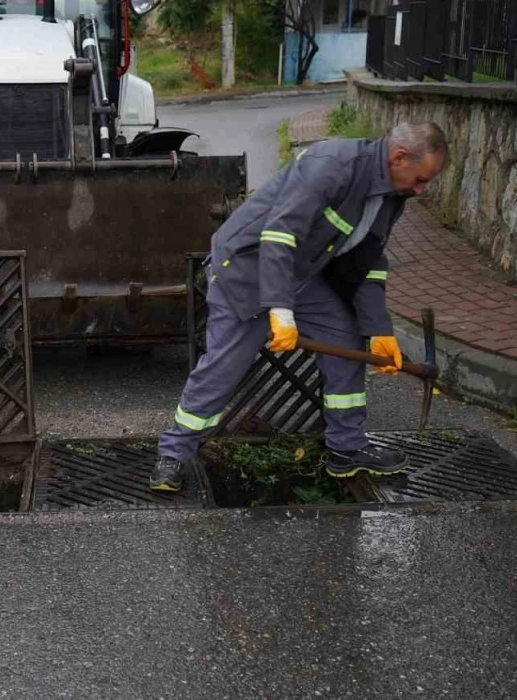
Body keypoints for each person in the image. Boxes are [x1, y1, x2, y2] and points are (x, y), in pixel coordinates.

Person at [149, 122, 449, 492]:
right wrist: (280, 311)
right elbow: (278, 236)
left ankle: (346, 447)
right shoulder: (332, 164)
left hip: (302, 274)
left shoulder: (392, 195)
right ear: (400, 157)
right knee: (224, 368)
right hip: (247, 271)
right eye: (421, 179)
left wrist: (379, 329)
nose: (421, 190)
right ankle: (174, 453)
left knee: (348, 341)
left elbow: (367, 260)